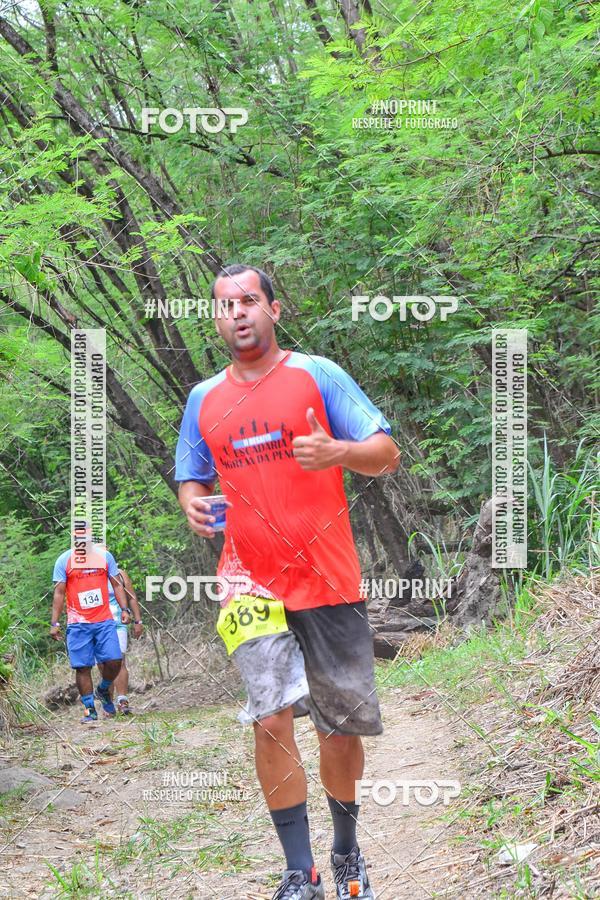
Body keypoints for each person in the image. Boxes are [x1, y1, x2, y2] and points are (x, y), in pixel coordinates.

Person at [175, 264, 399, 899]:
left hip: (328, 577)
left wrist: (339, 453)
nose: (237, 313)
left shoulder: (317, 375)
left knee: (338, 726)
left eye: (249, 301)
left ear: (275, 308)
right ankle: (300, 871)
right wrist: (193, 502)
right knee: (270, 718)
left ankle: (347, 850)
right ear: (216, 319)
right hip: (249, 580)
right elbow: (192, 473)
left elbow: (386, 453)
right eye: (225, 305)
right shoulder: (203, 399)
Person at [51, 528, 131, 723]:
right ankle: (89, 710)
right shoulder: (64, 560)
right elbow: (59, 593)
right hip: (78, 623)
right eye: (78, 538)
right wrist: (55, 622)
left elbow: (117, 584)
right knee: (83, 667)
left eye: (85, 538)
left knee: (114, 661)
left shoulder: (104, 557)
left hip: (104, 619)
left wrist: (124, 609)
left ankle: (103, 689)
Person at [99, 569, 143, 715]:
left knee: (119, 660)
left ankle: (123, 700)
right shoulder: (87, 573)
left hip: (117, 622)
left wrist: (138, 620)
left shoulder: (119, 574)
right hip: (96, 624)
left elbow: (131, 598)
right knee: (103, 664)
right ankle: (108, 703)